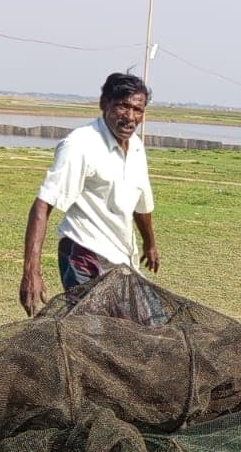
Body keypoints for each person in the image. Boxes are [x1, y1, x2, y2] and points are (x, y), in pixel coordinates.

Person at [18, 72, 159, 314]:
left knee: (151, 324)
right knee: (92, 330)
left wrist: (150, 244)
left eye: (138, 110)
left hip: (122, 258)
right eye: (123, 107)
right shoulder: (80, 145)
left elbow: (141, 204)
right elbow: (43, 204)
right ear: (104, 104)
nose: (131, 117)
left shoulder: (136, 147)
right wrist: (31, 272)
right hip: (83, 253)